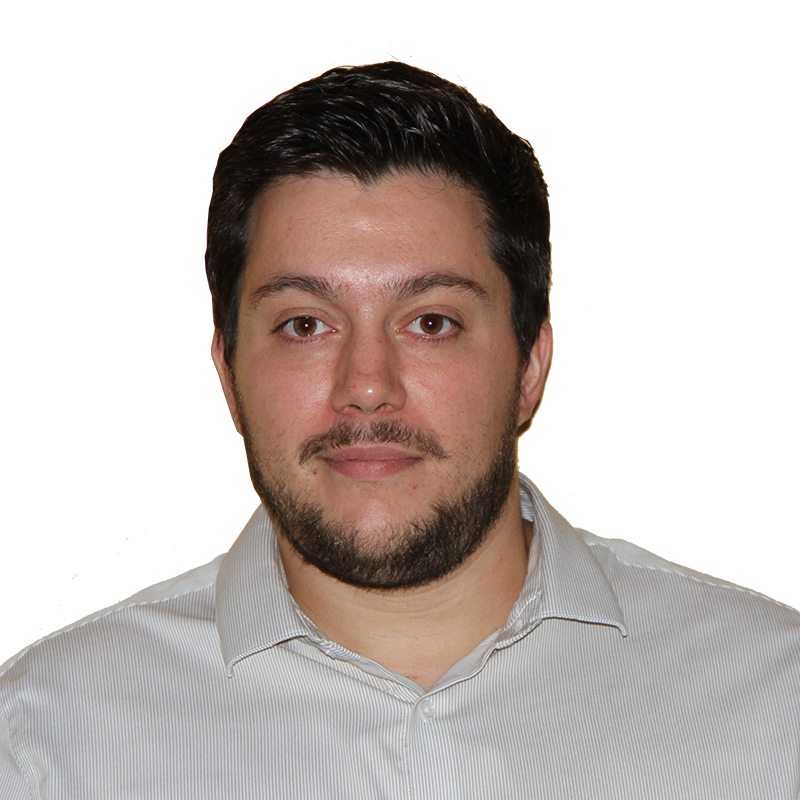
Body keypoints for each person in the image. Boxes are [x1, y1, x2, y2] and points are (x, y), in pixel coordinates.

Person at [1, 61, 798, 799]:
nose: (367, 385)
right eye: (305, 324)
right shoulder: (52, 736)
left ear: (529, 366)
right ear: (230, 377)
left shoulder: (772, 705)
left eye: (431, 322)